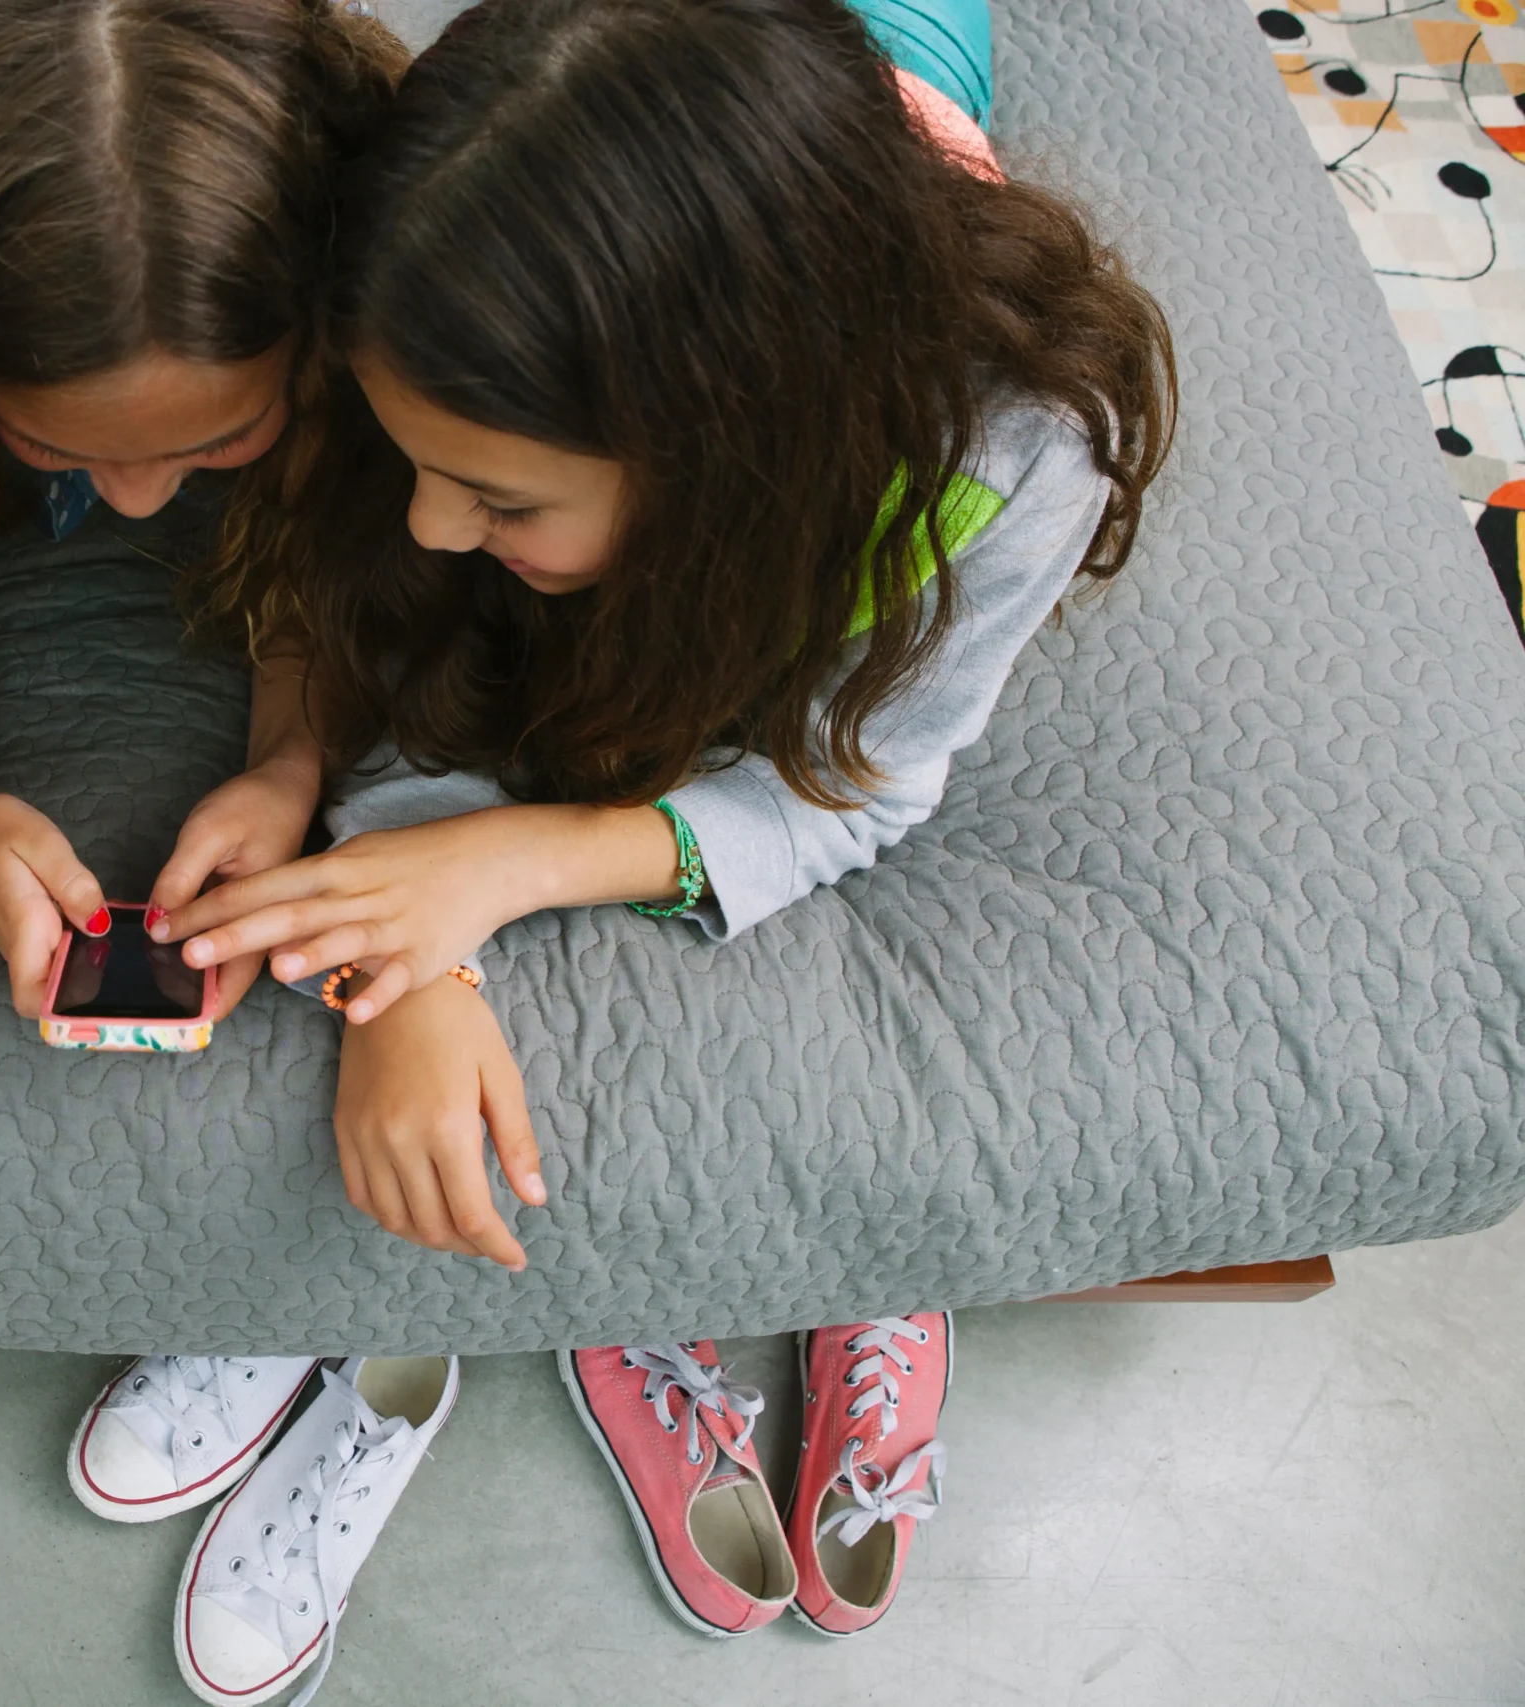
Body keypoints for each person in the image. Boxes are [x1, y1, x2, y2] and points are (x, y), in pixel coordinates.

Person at [147, 0, 1175, 1668]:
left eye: (500, 499)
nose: (435, 520)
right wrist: (376, 908)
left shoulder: (1012, 454)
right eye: (424, 465)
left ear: (731, 446)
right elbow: (387, 620)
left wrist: (510, 862)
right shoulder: (447, 310)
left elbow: (872, 779)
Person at [0, 0, 405, 1020]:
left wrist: (288, 766)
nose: (140, 496)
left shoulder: (354, 363)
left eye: (214, 442)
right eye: (55, 448)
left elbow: (318, 552)